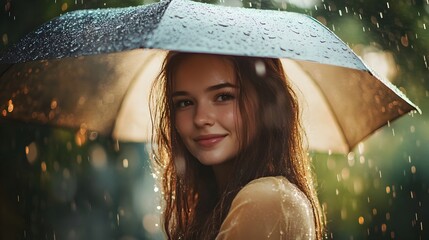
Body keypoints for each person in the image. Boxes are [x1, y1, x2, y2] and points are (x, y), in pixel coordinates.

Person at [150, 51, 325, 240]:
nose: (200, 118)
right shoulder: (214, 205)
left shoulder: (266, 199)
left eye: (224, 96)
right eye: (185, 102)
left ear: (264, 102)